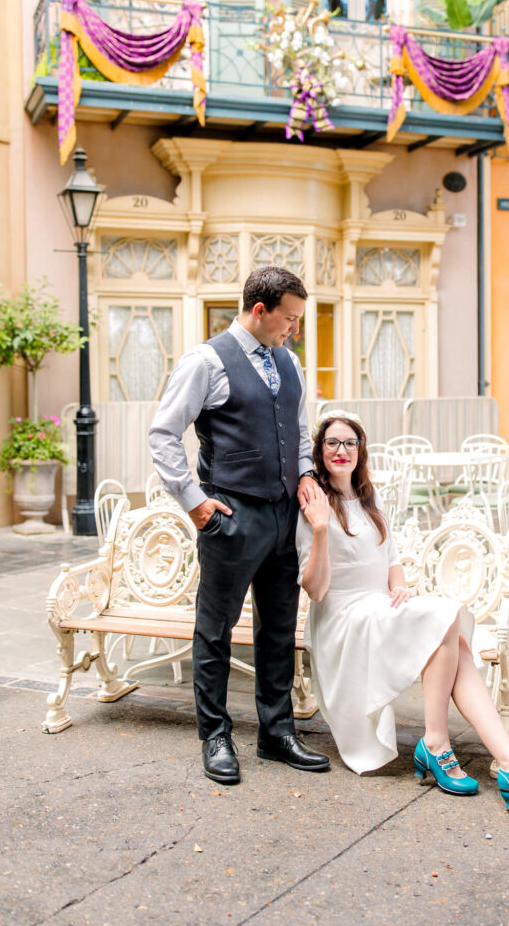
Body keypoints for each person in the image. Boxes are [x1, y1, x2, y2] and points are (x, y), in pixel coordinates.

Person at [296, 410, 509, 812]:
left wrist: (398, 585)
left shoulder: (369, 497)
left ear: (360, 451)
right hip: (343, 619)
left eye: (350, 442)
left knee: (452, 640)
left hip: (379, 606)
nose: (341, 450)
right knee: (446, 618)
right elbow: (315, 591)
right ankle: (439, 745)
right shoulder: (314, 503)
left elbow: (392, 558)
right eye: (331, 442)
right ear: (320, 451)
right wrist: (318, 528)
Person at [148, 266, 329, 784]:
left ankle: (276, 734)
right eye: (289, 318)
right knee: (216, 630)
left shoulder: (289, 362)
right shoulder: (206, 361)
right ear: (259, 310)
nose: (294, 328)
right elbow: (164, 434)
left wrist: (308, 475)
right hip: (231, 516)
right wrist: (195, 502)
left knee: (278, 629)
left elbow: (296, 433)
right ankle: (216, 735)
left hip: (282, 516)